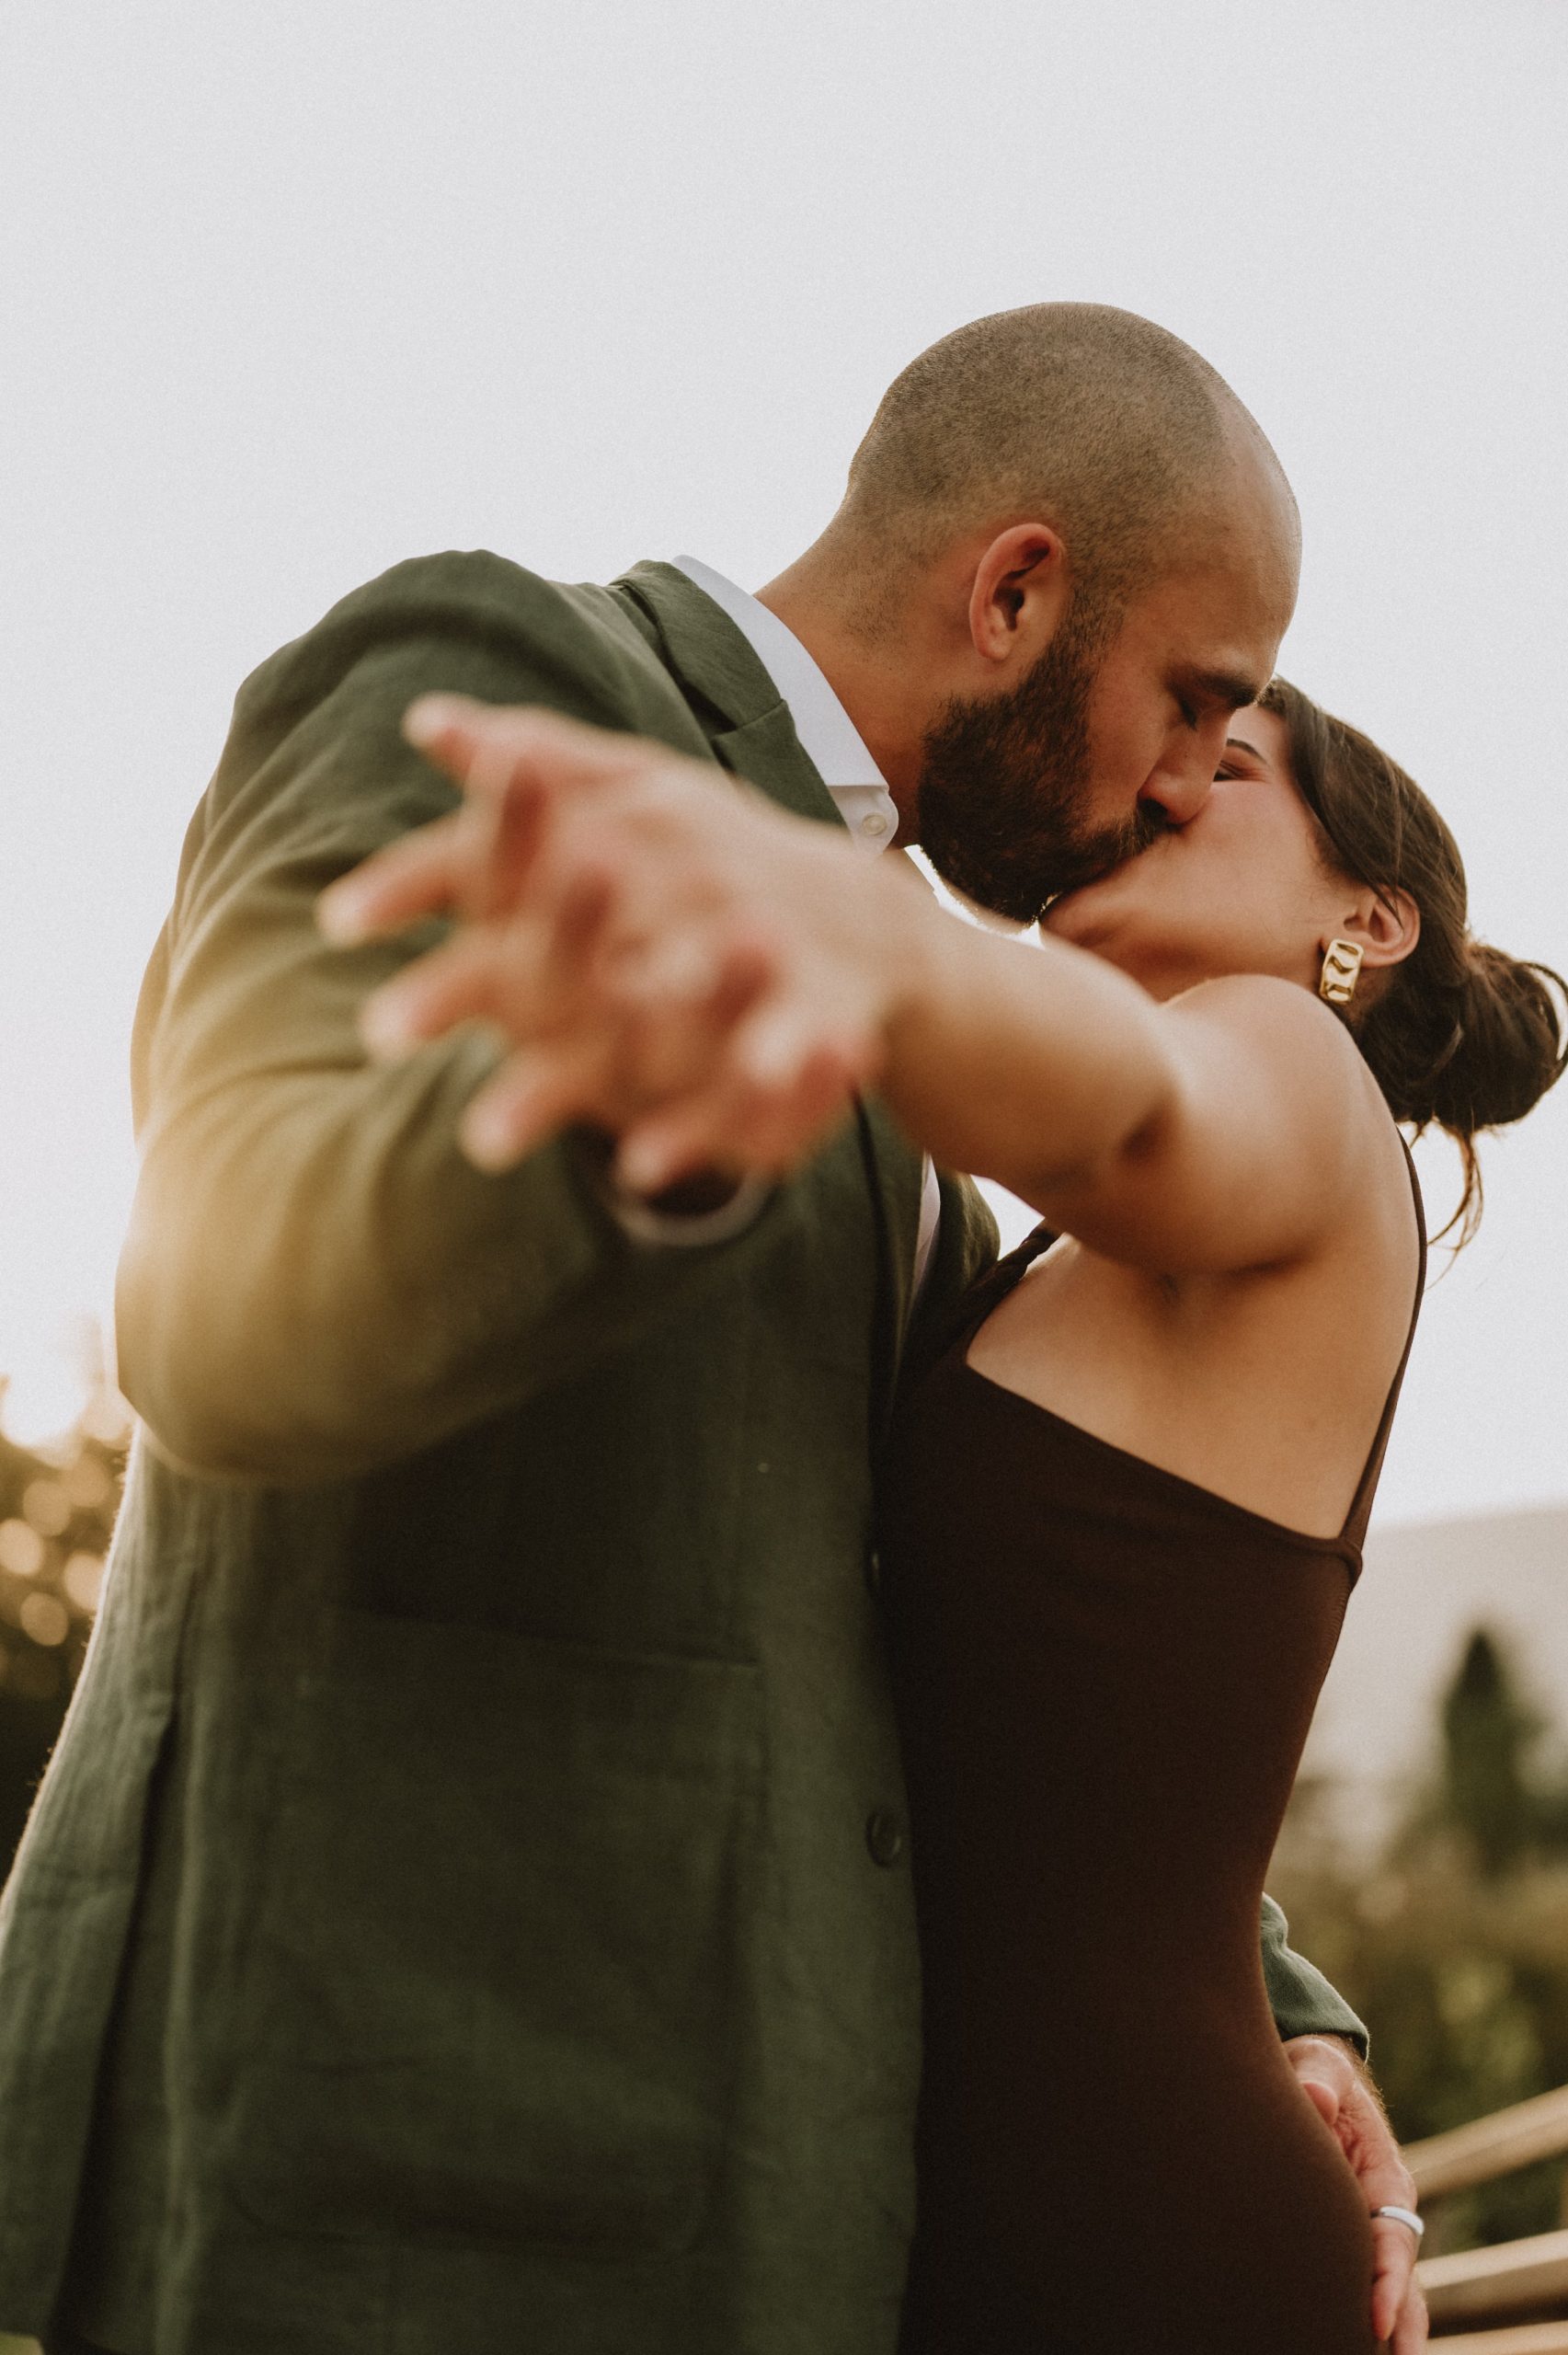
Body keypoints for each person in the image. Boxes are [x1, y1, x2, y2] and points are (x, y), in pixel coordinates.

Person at [0, 304, 1415, 2355]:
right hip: (355, 2197)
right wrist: (619, 1133)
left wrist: (1277, 2006)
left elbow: (969, 1665)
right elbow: (216, 1326)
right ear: (1016, 592)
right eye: (1197, 698)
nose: (1188, 775)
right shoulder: (506, 684)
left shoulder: (908, 1087)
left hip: (756, 2234)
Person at [337, 681, 1564, 2351]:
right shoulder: (1040, 1253)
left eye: (1233, 762)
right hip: (955, 2220)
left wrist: (821, 913)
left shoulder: (1294, 1066)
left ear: (1367, 916)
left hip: (1134, 2246)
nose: (1163, 780)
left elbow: (1146, 1100)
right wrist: (1302, 2015)